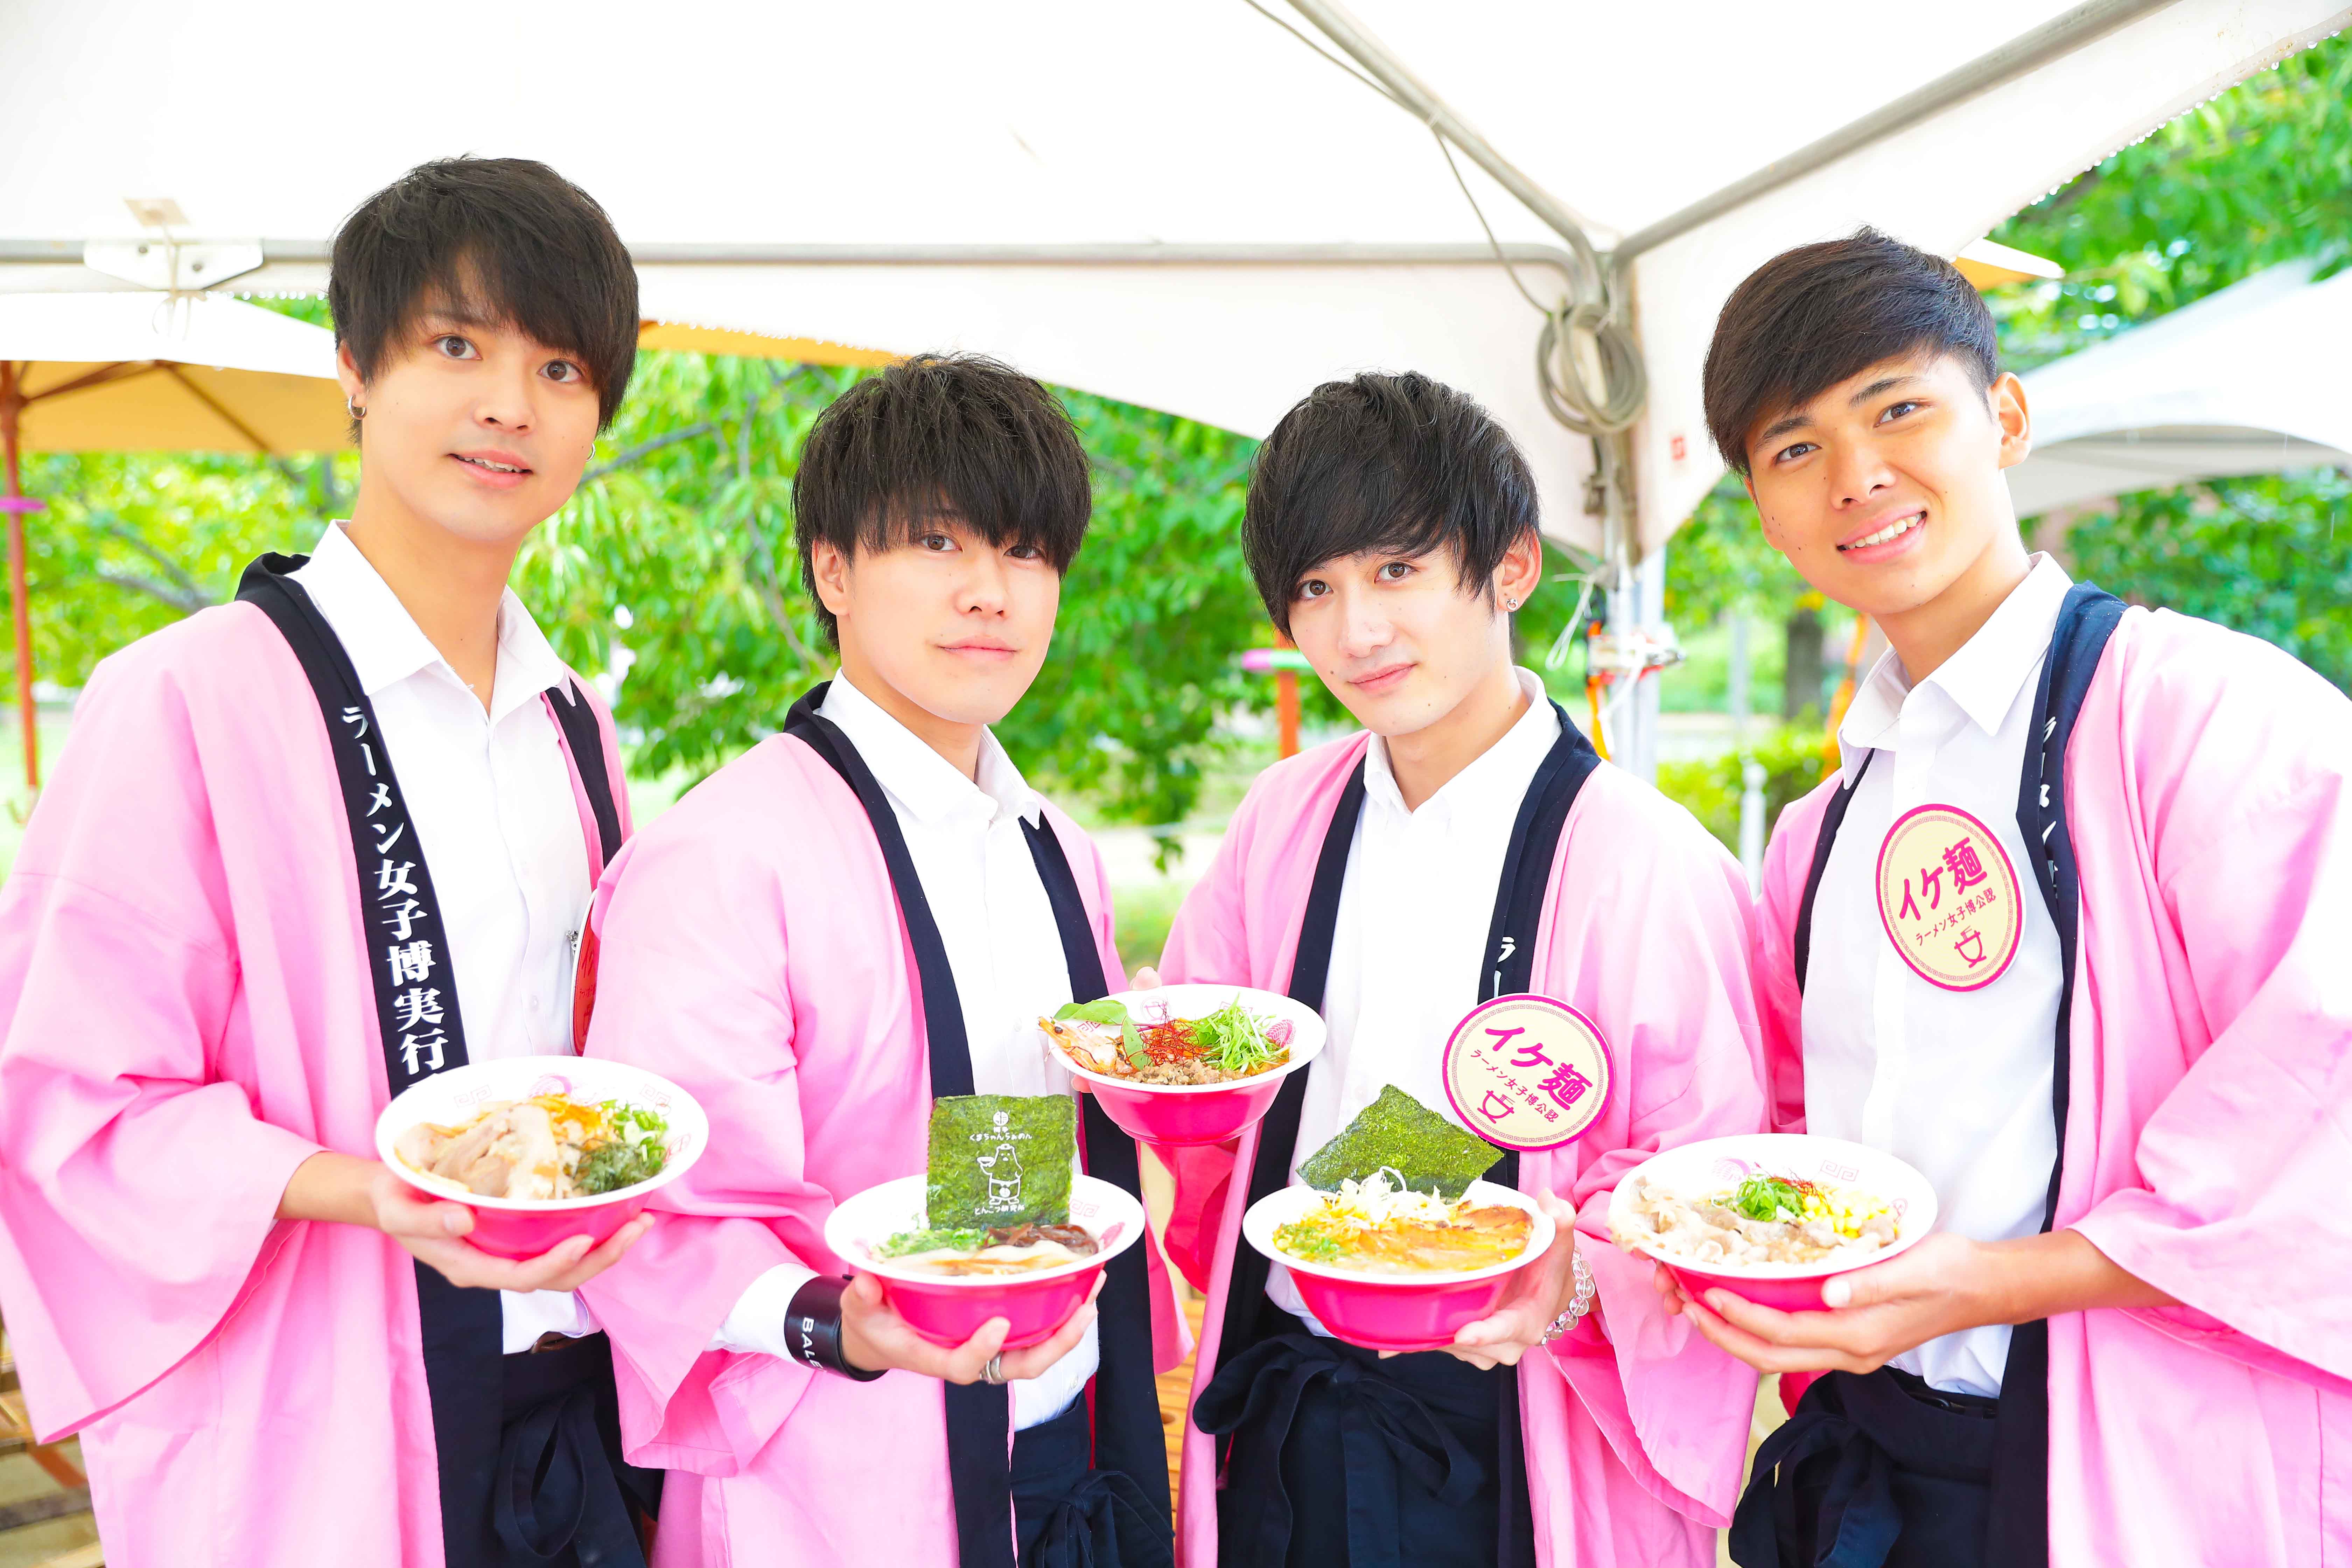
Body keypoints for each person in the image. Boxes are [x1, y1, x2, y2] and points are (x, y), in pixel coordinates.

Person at [0, 158, 660, 1567]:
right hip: (329, 1432)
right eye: (457, 345)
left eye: (560, 367)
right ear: (354, 368)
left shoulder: (574, 725)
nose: (510, 404)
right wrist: (365, 1188)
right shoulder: (183, 698)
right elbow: (69, 1107)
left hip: (577, 1414)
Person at [1678, 227, 2352, 1568]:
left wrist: (1992, 1286)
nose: (1859, 476)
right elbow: (1779, 1123)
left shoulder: (2206, 719)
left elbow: (2320, 1103)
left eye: (1898, 410)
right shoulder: (1821, 831)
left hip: (2141, 1477)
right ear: (1763, 507)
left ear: (2006, 417)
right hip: (1872, 1458)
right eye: (1796, 448)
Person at [575, 353, 1186, 1567]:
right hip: (840, 1489)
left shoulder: (1053, 848)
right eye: (938, 543)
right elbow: (654, 1202)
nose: (989, 593)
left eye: (1025, 551)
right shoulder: (723, 854)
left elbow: (1011, 1134)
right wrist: (836, 1325)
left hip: (1068, 1453)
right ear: (834, 570)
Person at [1147, 371, 1767, 1567]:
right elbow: (1212, 1084)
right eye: (1315, 588)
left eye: (1398, 570)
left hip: (1512, 1430)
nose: (1357, 631)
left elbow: (1710, 1169)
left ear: (1513, 566)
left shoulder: (1646, 858)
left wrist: (1574, 1275)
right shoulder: (1283, 817)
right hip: (1286, 1409)